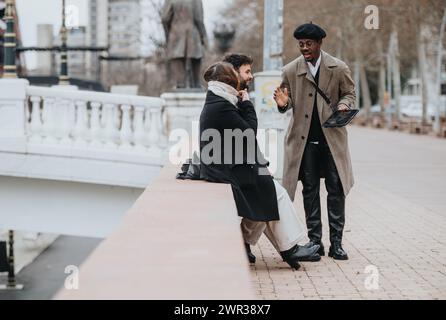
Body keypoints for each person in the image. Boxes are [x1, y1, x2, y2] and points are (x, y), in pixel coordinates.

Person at [199, 62, 320, 270]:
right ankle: (289, 248)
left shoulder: (218, 100)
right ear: (229, 82)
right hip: (225, 172)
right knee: (273, 193)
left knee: (268, 191)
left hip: (227, 167)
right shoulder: (221, 105)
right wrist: (247, 103)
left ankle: (287, 247)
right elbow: (249, 131)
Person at [273, 23, 356, 260]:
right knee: (309, 190)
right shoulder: (290, 70)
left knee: (335, 189)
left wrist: (343, 105)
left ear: (320, 44)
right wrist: (282, 104)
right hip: (304, 142)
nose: (304, 48)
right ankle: (315, 242)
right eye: (301, 44)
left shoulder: (338, 68)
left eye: (309, 44)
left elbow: (350, 93)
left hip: (333, 141)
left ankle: (337, 244)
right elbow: (286, 101)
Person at [161, 0, 207, 89]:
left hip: (175, 33)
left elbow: (164, 18)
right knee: (196, 58)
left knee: (177, 59)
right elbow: (199, 20)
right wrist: (203, 36)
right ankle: (195, 85)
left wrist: (169, 33)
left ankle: (180, 85)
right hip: (192, 33)